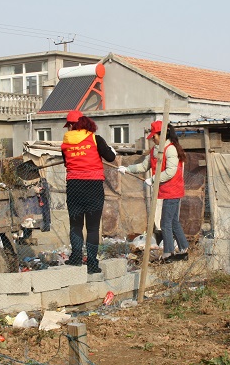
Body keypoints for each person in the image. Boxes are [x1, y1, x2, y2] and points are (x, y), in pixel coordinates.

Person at [119, 120, 189, 263]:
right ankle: (184, 250)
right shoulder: (155, 151)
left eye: (154, 136)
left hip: (173, 190)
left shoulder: (170, 149)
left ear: (162, 135)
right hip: (165, 190)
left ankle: (168, 254)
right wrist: (127, 169)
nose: (152, 139)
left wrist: (153, 180)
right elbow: (144, 166)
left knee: (165, 223)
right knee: (173, 222)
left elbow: (170, 171)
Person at [61, 110, 116, 274]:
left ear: (71, 125)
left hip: (74, 187)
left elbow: (66, 163)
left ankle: (76, 259)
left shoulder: (65, 143)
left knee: (76, 226)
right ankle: (92, 264)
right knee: (92, 228)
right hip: (93, 187)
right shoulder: (95, 139)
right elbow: (111, 157)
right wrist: (109, 150)